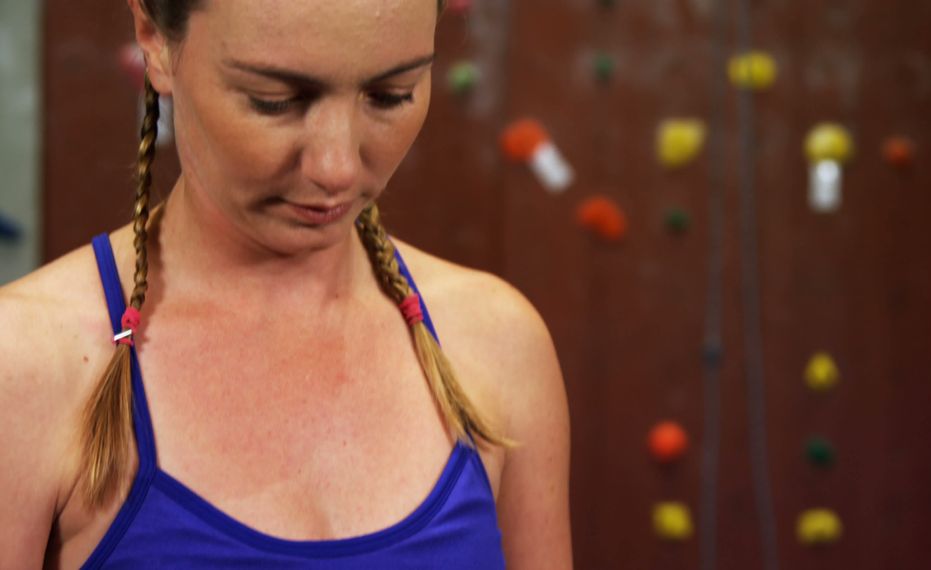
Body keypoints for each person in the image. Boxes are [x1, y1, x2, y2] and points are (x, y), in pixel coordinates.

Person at [0, 0, 572, 567]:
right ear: (152, 35)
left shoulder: (497, 345)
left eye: (392, 94)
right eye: (274, 102)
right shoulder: (26, 364)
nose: (337, 167)